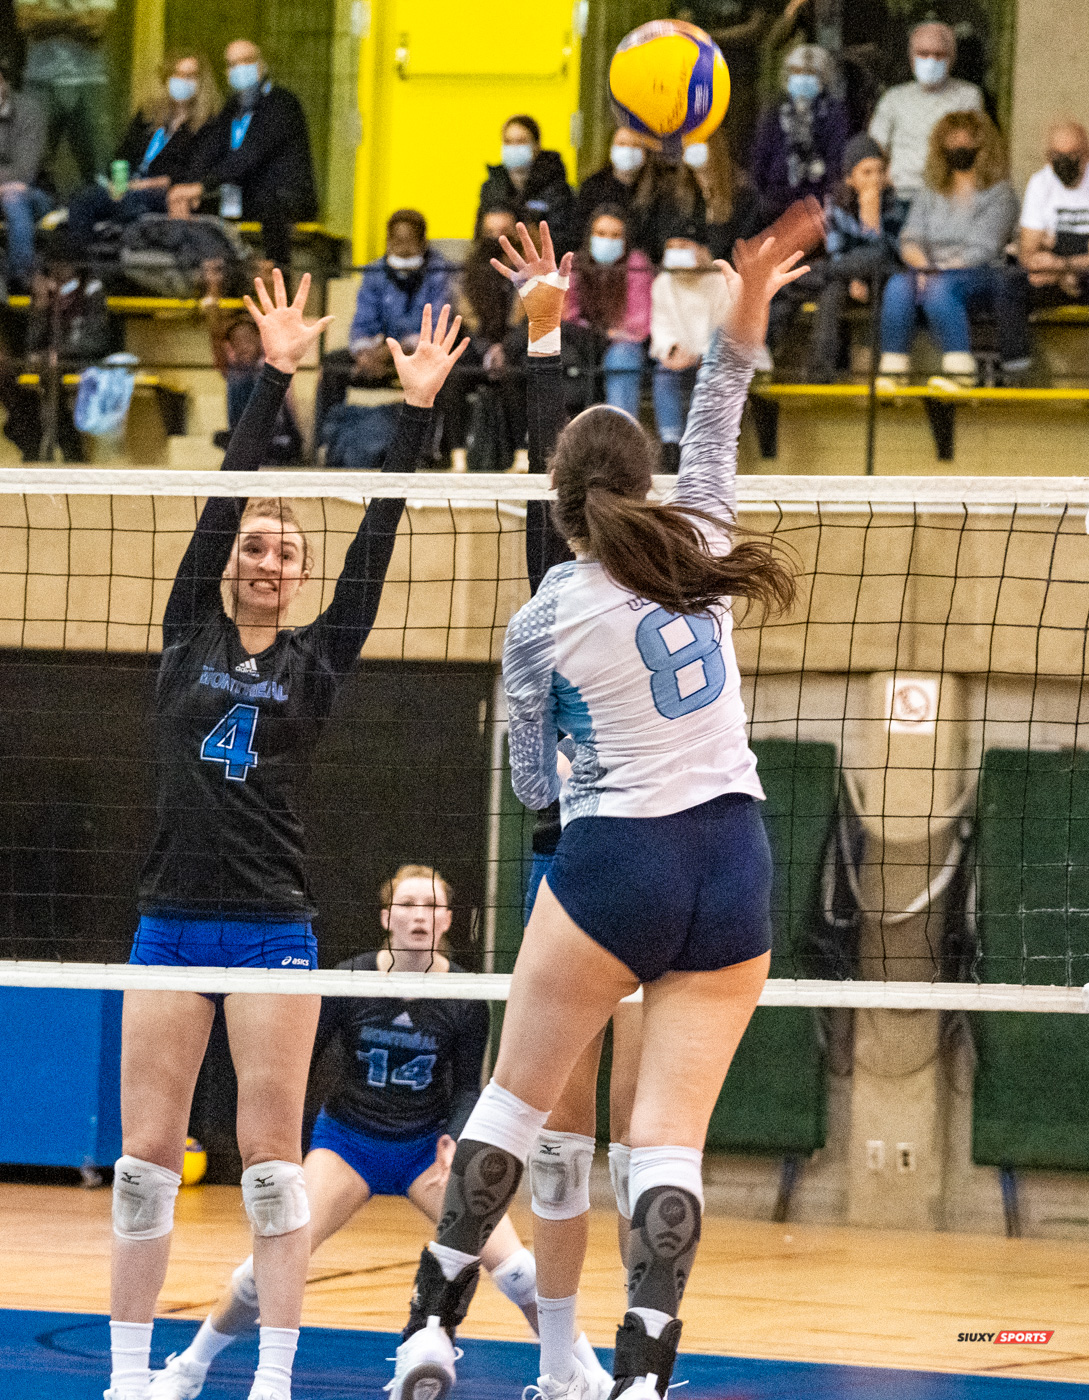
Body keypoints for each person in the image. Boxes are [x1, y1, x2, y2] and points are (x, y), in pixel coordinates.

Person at [382, 216, 804, 1400]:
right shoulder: (702, 533)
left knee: (512, 1104)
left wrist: (578, 755)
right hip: (738, 860)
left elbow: (530, 785)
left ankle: (428, 1326)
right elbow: (720, 398)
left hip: (619, 856)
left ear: (561, 504)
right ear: (641, 484)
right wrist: (751, 291)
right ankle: (642, 1373)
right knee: (666, 1142)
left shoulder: (542, 619)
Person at [103, 275, 468, 1400]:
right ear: (232, 559)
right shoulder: (186, 629)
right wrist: (273, 372)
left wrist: (416, 412)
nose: (268, 558)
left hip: (272, 929)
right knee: (141, 1167)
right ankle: (128, 1374)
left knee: (272, 1168)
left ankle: (270, 1374)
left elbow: (377, 544)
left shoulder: (316, 659)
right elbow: (228, 490)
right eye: (256, 546)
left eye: (283, 552)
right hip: (171, 922)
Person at [148, 864, 613, 1400]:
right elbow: (298, 1063)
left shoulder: (466, 996)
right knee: (265, 1269)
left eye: (433, 907)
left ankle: (588, 1378)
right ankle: (190, 1367)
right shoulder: (352, 979)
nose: (421, 916)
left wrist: (456, 1137)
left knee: (518, 1274)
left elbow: (469, 1086)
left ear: (447, 923)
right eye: (410, 905)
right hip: (348, 1143)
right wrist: (286, 1146)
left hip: (425, 1150)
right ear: (387, 917)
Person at [877, 110, 1026, 389]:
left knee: (939, 288)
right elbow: (910, 238)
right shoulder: (930, 191)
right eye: (950, 143)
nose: (957, 149)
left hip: (981, 274)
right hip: (930, 270)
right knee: (897, 284)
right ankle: (893, 373)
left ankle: (961, 372)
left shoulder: (1001, 194)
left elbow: (984, 248)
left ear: (982, 147)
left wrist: (935, 272)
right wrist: (923, 266)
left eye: (965, 142)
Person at [767, 132, 908, 381]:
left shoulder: (895, 204)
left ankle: (798, 279)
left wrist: (872, 224)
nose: (875, 179)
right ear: (850, 178)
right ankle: (819, 373)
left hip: (885, 276)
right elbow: (836, 250)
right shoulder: (837, 204)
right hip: (846, 276)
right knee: (832, 289)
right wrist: (854, 278)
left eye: (879, 171)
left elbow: (893, 251)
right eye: (867, 172)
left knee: (874, 255)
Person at [167, 40, 317, 271]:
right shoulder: (231, 108)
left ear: (262, 66)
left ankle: (276, 283)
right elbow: (209, 150)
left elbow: (249, 157)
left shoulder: (282, 103)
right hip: (242, 197)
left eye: (246, 61)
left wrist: (200, 188)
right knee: (193, 211)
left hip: (281, 199)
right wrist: (188, 187)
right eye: (232, 64)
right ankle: (201, 286)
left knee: (271, 203)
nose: (239, 69)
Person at [313, 208, 453, 449]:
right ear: (388, 242)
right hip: (378, 356)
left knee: (452, 372)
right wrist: (365, 353)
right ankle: (325, 446)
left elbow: (439, 326)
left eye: (409, 242)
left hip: (420, 356)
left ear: (423, 243)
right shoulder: (374, 273)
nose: (403, 249)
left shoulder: (441, 273)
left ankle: (433, 450)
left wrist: (396, 351)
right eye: (396, 242)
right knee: (333, 365)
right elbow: (362, 325)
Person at [65, 53, 219, 251]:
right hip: (128, 184)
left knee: (130, 204)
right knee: (82, 200)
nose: (182, 81)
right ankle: (84, 268)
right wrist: (117, 182)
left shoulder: (208, 125)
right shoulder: (148, 114)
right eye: (177, 75)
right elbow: (122, 154)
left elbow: (189, 173)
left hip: (163, 191)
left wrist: (138, 186)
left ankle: (122, 265)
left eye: (190, 76)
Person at [448, 207, 528, 471]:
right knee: (452, 375)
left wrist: (505, 349)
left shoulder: (528, 271)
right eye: (490, 232)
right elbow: (465, 319)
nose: (496, 239)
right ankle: (457, 456)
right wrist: (487, 350)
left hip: (517, 348)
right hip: (478, 349)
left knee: (517, 374)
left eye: (503, 233)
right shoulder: (468, 274)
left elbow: (529, 319)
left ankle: (522, 455)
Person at [650, 222, 734, 470]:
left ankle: (704, 448)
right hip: (678, 358)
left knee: (710, 377)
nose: (676, 251)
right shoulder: (662, 283)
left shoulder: (720, 283)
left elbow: (727, 332)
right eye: (671, 247)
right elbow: (660, 326)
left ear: (700, 250)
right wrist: (671, 349)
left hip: (712, 359)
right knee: (663, 374)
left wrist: (700, 356)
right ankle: (671, 447)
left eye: (683, 246)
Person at [200, 261, 302, 464]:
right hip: (245, 440)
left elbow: (277, 322)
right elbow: (214, 333)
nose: (243, 346)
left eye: (248, 339)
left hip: (280, 439)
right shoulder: (231, 367)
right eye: (237, 341)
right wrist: (213, 288)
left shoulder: (272, 359)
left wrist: (267, 281)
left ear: (260, 340)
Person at [868, 22, 983, 199]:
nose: (930, 60)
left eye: (938, 55)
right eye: (923, 53)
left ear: (951, 58)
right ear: (911, 57)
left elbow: (975, 147)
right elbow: (875, 147)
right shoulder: (894, 98)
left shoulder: (967, 97)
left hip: (946, 195)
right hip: (901, 193)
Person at [563, 206, 652, 419]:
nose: (607, 240)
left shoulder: (637, 264)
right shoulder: (575, 263)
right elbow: (568, 314)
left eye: (615, 235)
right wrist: (591, 334)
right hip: (584, 340)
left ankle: (622, 436)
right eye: (601, 234)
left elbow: (639, 324)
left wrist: (610, 335)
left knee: (621, 359)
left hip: (624, 343)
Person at [15, 0, 114, 185]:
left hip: (89, 81)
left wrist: (46, 21)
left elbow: (96, 26)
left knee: (98, 166)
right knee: (32, 165)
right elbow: (26, 21)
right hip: (40, 81)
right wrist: (77, 20)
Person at [750, 44, 848, 221]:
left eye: (809, 73)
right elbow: (760, 158)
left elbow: (836, 159)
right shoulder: (775, 111)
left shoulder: (833, 112)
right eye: (797, 71)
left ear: (822, 77)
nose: (802, 78)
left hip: (817, 201)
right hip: (776, 200)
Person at [477, 114, 576, 255]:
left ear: (536, 145)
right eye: (508, 141)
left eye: (521, 141)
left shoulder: (557, 188)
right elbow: (480, 235)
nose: (514, 147)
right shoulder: (491, 187)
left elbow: (565, 238)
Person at [1017, 120, 1089, 306]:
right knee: (1011, 286)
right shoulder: (1040, 183)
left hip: (1070, 272)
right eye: (1057, 155)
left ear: (1086, 153)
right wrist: (1063, 273)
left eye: (1072, 154)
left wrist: (1061, 265)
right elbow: (1028, 254)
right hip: (1051, 277)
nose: (1064, 161)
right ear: (1048, 157)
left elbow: (1043, 253)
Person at [571, 127, 662, 254]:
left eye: (636, 145)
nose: (628, 150)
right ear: (610, 148)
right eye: (622, 144)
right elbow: (577, 234)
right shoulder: (592, 186)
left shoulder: (660, 189)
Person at [0, 61, 48, 290]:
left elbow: (24, 170)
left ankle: (21, 276)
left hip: (32, 193)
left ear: (4, 82)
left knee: (13, 196)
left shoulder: (29, 112)